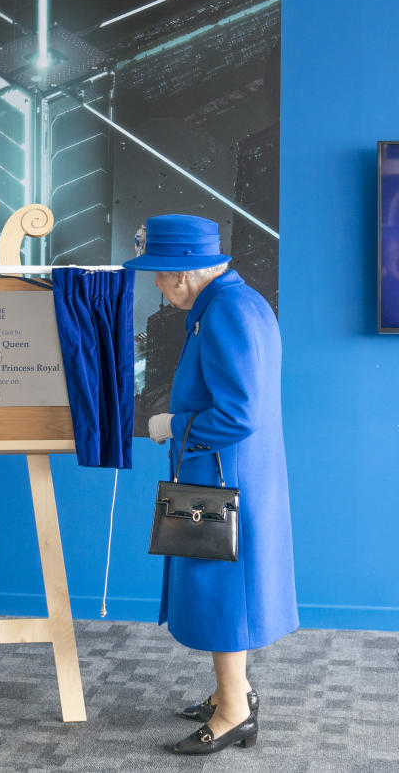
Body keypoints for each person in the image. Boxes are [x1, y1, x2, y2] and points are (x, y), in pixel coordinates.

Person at [123, 214, 297, 755]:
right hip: (228, 471)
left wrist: (167, 425)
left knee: (222, 595)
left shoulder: (225, 312)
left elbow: (238, 413)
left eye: (158, 272)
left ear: (183, 273)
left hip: (223, 475)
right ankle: (234, 691)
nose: (155, 283)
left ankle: (232, 713)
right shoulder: (234, 303)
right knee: (224, 591)